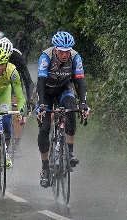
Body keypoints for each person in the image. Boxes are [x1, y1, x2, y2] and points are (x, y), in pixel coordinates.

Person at [36, 31, 89, 188]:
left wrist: (84, 103)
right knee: (45, 128)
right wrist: (41, 106)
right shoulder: (45, 57)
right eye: (61, 51)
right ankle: (45, 168)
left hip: (63, 89)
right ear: (55, 49)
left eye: (67, 51)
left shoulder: (75, 57)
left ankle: (70, 151)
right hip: (46, 91)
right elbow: (40, 83)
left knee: (71, 109)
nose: (65, 54)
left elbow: (80, 82)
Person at [0, 37, 34, 148]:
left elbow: (28, 80)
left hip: (13, 83)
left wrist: (30, 99)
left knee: (17, 109)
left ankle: (16, 142)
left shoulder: (17, 57)